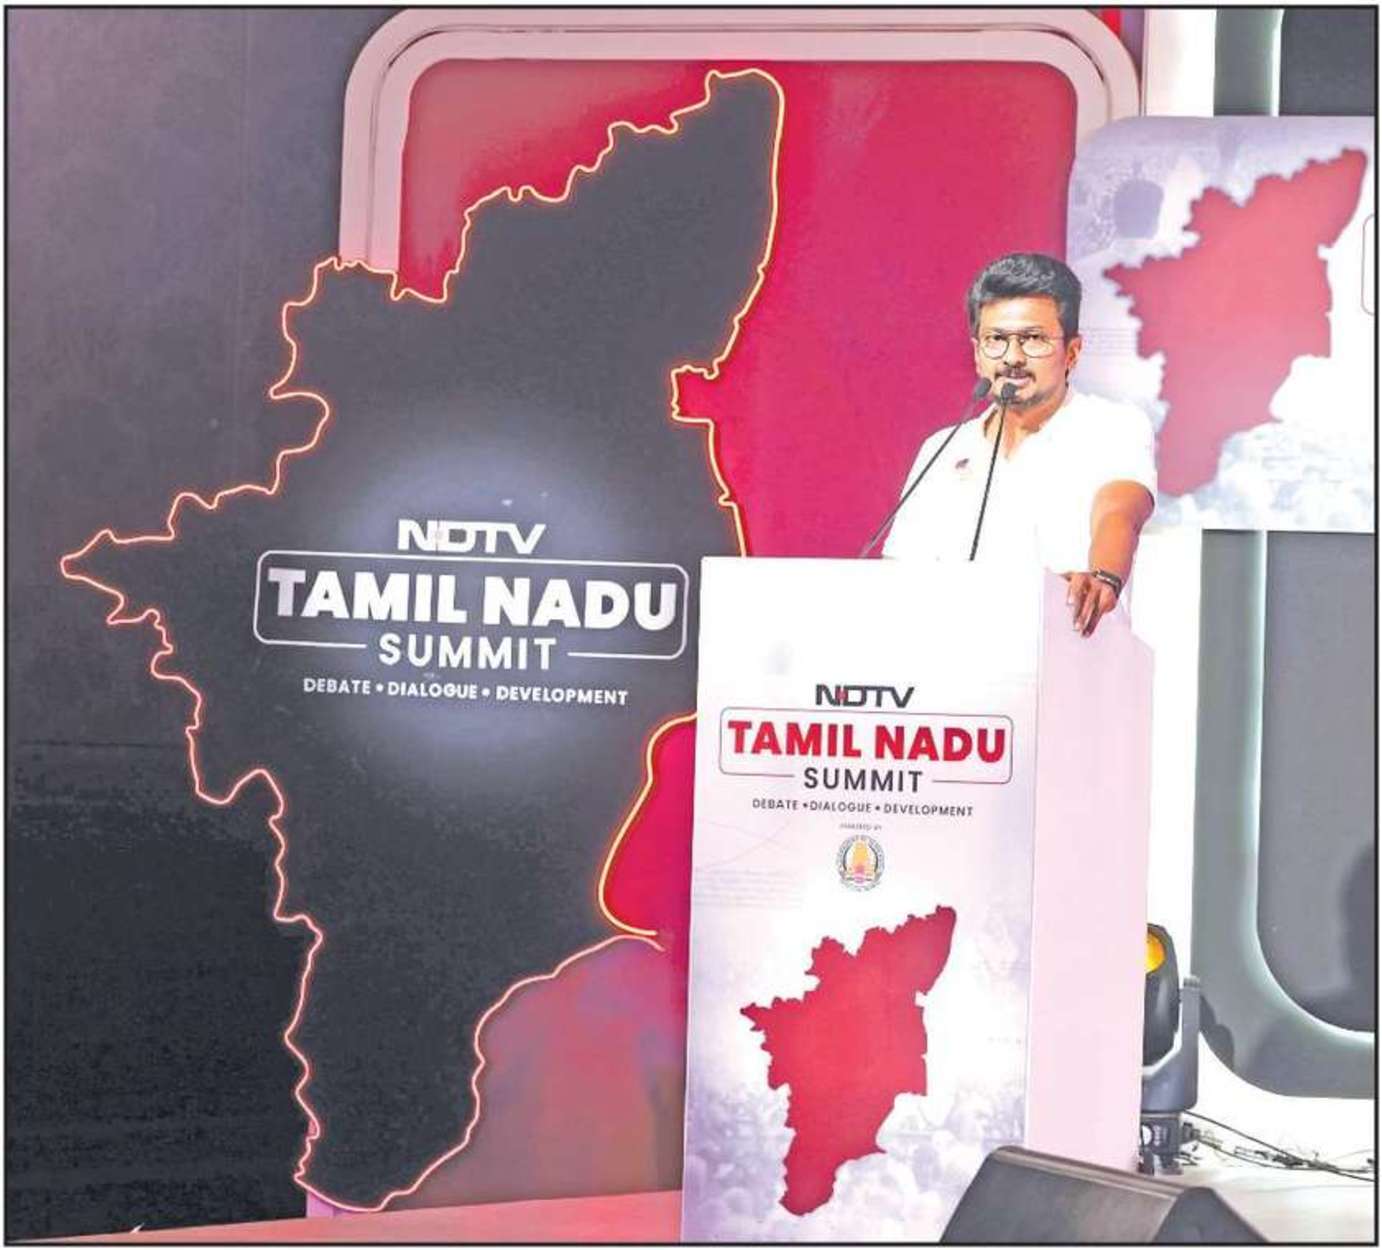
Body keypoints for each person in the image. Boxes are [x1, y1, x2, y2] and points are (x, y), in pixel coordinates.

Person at [883, 252, 1156, 636]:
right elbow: (897, 576)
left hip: (1073, 654)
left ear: (1072, 352)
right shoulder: (942, 449)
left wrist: (1103, 576)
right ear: (977, 354)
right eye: (996, 340)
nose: (1012, 357)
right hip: (951, 655)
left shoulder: (1112, 426)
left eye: (1033, 340)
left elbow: (1119, 511)